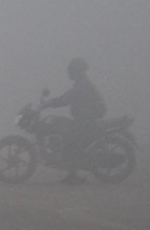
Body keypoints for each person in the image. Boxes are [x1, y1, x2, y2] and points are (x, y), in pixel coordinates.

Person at [43, 57, 106, 185]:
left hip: (86, 120)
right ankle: (72, 173)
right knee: (64, 131)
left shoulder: (83, 84)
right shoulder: (82, 83)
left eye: (71, 71)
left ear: (78, 71)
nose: (69, 73)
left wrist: (50, 103)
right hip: (83, 118)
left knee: (68, 140)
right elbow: (69, 96)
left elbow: (67, 98)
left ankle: (73, 174)